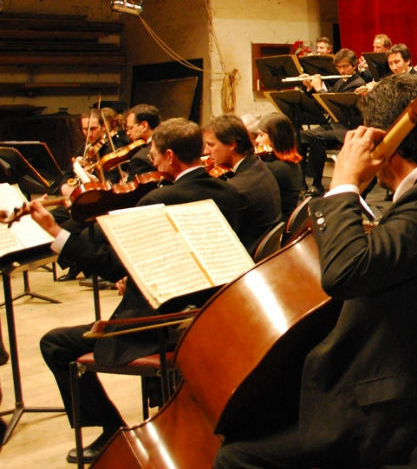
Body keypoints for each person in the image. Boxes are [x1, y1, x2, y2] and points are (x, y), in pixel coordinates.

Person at [213, 74, 417, 468]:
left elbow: (343, 273)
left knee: (236, 455)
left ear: (383, 141)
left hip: (400, 412)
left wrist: (345, 181)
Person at [30, 118, 245, 464]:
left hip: (159, 325)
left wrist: (55, 231)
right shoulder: (228, 192)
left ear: (170, 156)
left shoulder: (158, 199)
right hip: (208, 314)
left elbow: (109, 264)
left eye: (154, 154)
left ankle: (112, 430)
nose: (151, 161)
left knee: (55, 344)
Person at [203, 114, 282, 254]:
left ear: (232, 144)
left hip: (247, 256)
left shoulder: (236, 189)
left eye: (211, 145)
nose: (206, 151)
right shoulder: (258, 166)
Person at [298, 49, 367, 196]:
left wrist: (320, 88)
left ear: (354, 66)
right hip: (335, 126)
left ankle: (317, 183)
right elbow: (321, 106)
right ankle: (301, 182)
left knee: (317, 137)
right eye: (339, 67)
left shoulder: (357, 83)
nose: (342, 71)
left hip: (348, 128)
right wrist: (310, 88)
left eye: (345, 66)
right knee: (301, 136)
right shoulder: (340, 82)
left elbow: (332, 105)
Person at [255, 112, 305, 220]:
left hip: (276, 224)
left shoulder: (274, 168)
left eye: (261, 135)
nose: (257, 140)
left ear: (274, 138)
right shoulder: (293, 164)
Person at [123, 103, 161, 178]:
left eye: (130, 128)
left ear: (144, 126)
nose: (128, 133)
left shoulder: (140, 159)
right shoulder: (165, 144)